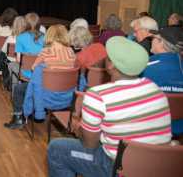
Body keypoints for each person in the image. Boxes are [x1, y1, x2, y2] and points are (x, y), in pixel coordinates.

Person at [47, 36, 172, 177]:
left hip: (117, 168)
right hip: (158, 166)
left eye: (108, 56)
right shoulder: (156, 90)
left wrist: (78, 128)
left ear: (111, 65)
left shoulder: (98, 95)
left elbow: (90, 145)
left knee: (56, 149)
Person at [5, 24, 76, 129]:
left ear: (49, 36)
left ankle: (18, 118)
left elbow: (34, 68)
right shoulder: (71, 52)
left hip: (47, 96)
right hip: (67, 97)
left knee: (19, 89)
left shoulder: (46, 51)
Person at [143, 26, 183, 135]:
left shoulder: (145, 68)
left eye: (154, 38)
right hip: (179, 131)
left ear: (161, 43)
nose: (151, 41)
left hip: (152, 129)